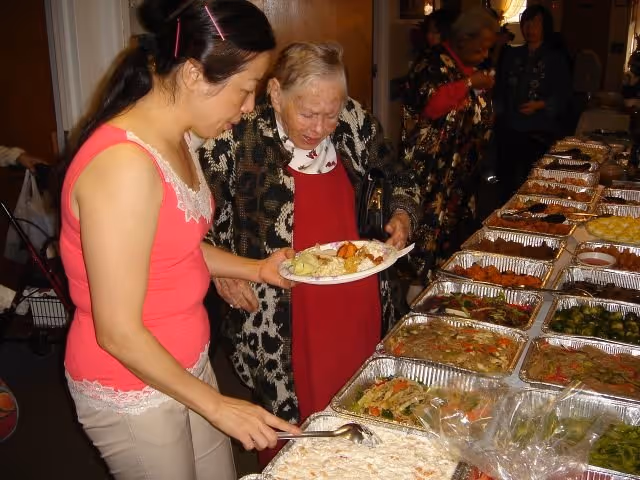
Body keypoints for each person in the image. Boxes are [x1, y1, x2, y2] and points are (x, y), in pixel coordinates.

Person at [58, 1, 299, 479]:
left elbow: (172, 249)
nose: (249, 107)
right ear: (194, 73)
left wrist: (256, 269)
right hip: (130, 382)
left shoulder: (181, 139)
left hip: (184, 363)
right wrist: (218, 406)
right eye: (245, 90)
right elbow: (118, 331)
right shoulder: (125, 167)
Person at [199, 41, 420, 464]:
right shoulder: (236, 138)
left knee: (365, 404)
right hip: (278, 308)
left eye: (330, 114)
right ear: (277, 93)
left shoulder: (354, 120)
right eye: (308, 113)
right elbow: (192, 221)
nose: (320, 127)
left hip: (358, 295)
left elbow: (399, 175)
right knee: (291, 422)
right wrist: (220, 270)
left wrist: (402, 214)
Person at [400, 7, 497, 293]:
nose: (484, 54)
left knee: (454, 238)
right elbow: (431, 106)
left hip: (460, 177)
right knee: (426, 238)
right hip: (432, 174)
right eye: (480, 48)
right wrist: (469, 84)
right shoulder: (431, 63)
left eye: (488, 49)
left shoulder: (467, 67)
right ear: (463, 40)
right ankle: (417, 295)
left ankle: (445, 290)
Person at [494, 4, 572, 203]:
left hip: (539, 129)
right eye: (526, 23)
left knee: (535, 179)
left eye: (535, 23)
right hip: (510, 126)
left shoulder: (556, 58)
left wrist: (541, 105)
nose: (530, 28)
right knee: (507, 180)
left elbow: (563, 93)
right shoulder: (512, 55)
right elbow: (500, 87)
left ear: (545, 26)